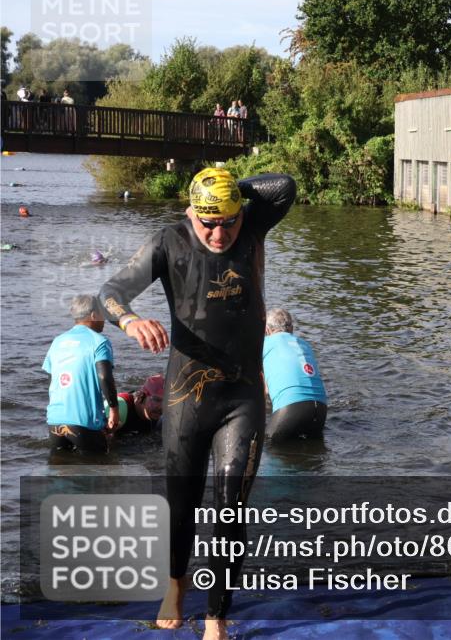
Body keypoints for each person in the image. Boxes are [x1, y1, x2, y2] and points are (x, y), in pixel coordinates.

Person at [99, 167, 294, 640]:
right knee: (180, 506)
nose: (219, 232)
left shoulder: (253, 225)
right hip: (186, 395)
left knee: (231, 509)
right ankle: (175, 585)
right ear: (191, 213)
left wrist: (230, 188)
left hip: (241, 396)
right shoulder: (170, 242)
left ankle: (216, 617)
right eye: (208, 221)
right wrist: (130, 322)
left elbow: (284, 185)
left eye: (227, 220)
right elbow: (110, 292)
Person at [43, 295, 120, 454]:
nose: (104, 320)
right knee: (98, 470)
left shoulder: (57, 341)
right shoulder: (99, 341)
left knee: (60, 472)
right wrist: (114, 410)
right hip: (84, 422)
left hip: (55, 421)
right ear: (93, 315)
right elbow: (104, 377)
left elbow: (52, 381)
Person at [262, 308, 328, 441]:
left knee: (267, 446)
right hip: (321, 410)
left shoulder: (265, 344)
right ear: (291, 329)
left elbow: (264, 391)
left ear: (266, 331)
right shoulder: (305, 345)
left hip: (291, 410)